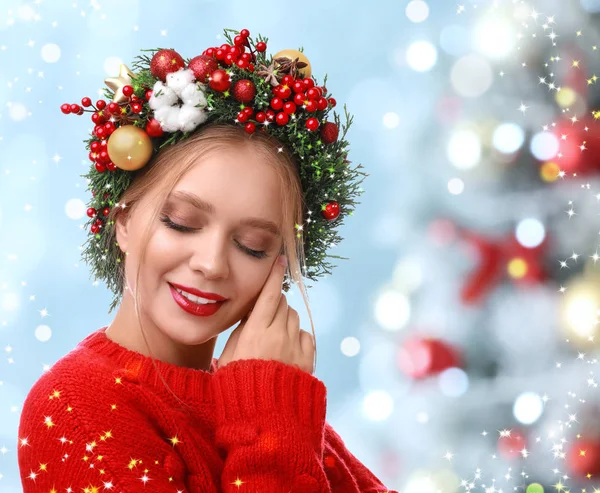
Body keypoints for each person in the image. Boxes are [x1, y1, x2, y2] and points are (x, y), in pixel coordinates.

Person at [17, 28, 397, 492]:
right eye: (180, 222)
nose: (212, 263)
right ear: (122, 221)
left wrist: (268, 401)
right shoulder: (75, 407)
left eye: (253, 246)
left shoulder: (264, 396)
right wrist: (270, 413)